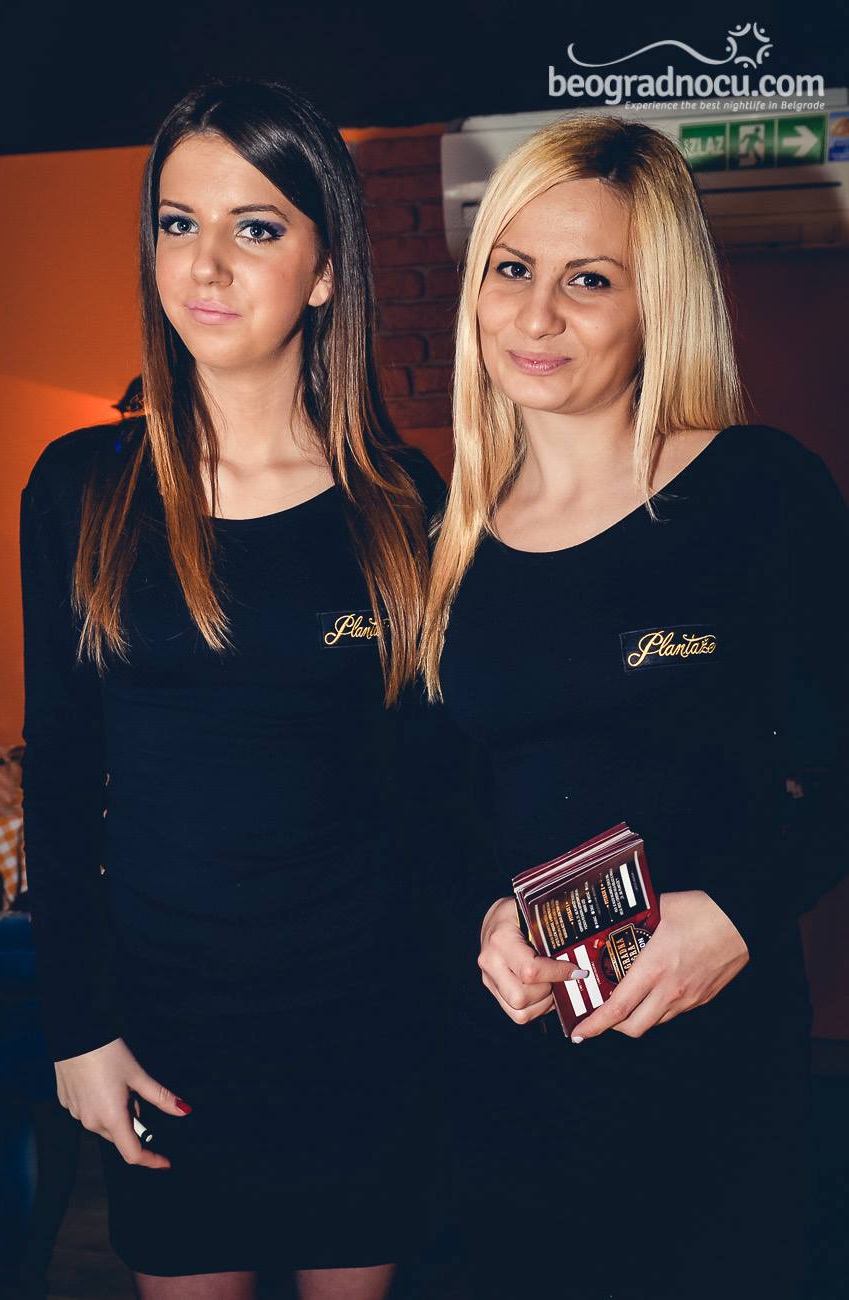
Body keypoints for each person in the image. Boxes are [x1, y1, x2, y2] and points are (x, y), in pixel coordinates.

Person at [20, 78, 445, 1300]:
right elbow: (61, 777)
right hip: (168, 1032)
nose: (204, 264)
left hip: (364, 1026)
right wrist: (77, 1028)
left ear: (325, 269)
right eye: (177, 222)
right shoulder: (81, 489)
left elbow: (429, 790)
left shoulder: (401, 502)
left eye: (255, 226)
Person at [420, 114, 848, 1300]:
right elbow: (434, 808)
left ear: (657, 300)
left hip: (718, 1080)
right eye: (513, 269)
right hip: (514, 1087)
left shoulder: (756, 494)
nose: (536, 315)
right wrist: (484, 920)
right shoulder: (442, 544)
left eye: (589, 279)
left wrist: (741, 912)